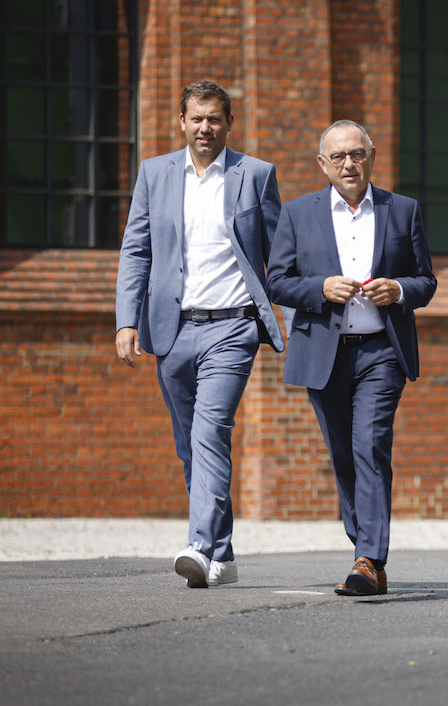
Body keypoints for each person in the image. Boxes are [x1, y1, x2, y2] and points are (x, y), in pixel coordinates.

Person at [114, 80, 284, 588]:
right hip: (172, 328)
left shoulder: (255, 175)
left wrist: (296, 318)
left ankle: (199, 545)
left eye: (214, 118)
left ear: (229, 122)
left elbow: (282, 255)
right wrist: (127, 319)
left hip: (232, 327)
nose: (205, 127)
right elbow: (136, 250)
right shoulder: (155, 174)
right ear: (181, 122)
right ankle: (224, 554)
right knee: (190, 444)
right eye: (196, 118)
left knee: (211, 431)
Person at [267, 120, 436, 596]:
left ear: (372, 156)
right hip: (324, 352)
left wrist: (399, 288)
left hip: (382, 351)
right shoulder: (299, 214)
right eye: (338, 156)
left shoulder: (403, 210)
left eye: (357, 154)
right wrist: (319, 288)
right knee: (344, 455)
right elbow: (276, 280)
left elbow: (426, 280)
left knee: (370, 446)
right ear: (323, 164)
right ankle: (366, 552)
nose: (348, 164)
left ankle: (367, 558)